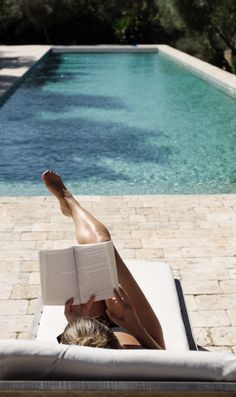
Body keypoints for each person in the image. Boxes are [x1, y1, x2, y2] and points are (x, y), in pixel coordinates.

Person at [42, 170, 165, 350]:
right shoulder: (141, 365)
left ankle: (69, 204)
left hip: (87, 338)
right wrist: (136, 328)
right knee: (101, 244)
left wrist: (80, 325)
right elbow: (165, 363)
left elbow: (82, 351)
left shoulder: (70, 365)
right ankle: (69, 201)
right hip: (144, 337)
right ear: (120, 347)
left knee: (94, 253)